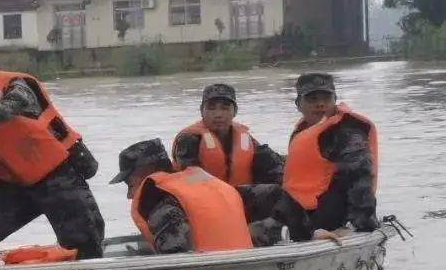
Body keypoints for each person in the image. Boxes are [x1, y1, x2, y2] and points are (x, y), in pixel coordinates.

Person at [0, 42, 104, 261]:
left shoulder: (15, 85)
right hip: (5, 185)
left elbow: (21, 99)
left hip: (55, 175)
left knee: (84, 243)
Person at [275, 73, 379, 241]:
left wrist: (358, 224)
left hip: (334, 214)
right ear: (298, 104)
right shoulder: (303, 132)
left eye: (326, 98)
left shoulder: (347, 133)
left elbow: (359, 177)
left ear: (335, 100)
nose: (320, 104)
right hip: (303, 210)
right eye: (312, 99)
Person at [110, 139, 254, 254]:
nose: (129, 196)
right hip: (245, 268)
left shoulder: (158, 198)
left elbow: (175, 250)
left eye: (130, 185)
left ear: (149, 171)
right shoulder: (209, 186)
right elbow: (272, 194)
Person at [172, 83, 285, 222]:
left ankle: (302, 231)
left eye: (225, 108)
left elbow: (272, 162)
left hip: (237, 197)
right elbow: (189, 179)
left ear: (234, 112)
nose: (218, 114)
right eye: (211, 108)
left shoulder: (245, 138)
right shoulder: (189, 139)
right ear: (202, 111)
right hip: (203, 201)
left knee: (275, 184)